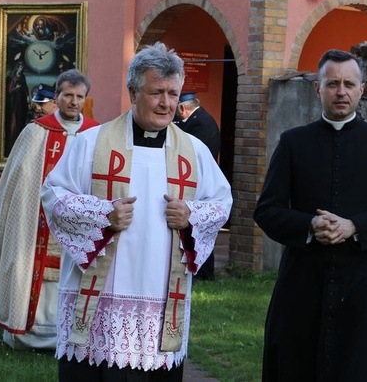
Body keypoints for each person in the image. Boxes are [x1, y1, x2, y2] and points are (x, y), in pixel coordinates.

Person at [41, 42, 233, 380]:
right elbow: (54, 197)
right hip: (99, 306)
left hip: (162, 302)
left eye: (173, 93)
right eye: (157, 92)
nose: (167, 103)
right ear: (132, 92)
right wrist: (103, 216)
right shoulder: (92, 142)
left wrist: (191, 216)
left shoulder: (194, 151)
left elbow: (221, 204)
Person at [253, 49, 367, 382]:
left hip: (362, 286)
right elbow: (267, 210)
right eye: (332, 84)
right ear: (318, 89)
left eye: (348, 84)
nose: (340, 91)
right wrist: (310, 225)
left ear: (361, 89)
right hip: (302, 285)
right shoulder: (293, 142)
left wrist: (354, 225)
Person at [0, 69, 98, 350]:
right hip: (37, 219)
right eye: (68, 95)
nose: (73, 102)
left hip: (79, 220)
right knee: (31, 266)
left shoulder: (94, 133)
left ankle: (69, 332)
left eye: (80, 97)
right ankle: (29, 332)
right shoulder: (36, 131)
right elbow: (20, 181)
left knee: (74, 271)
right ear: (56, 97)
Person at [175, 91, 222, 280]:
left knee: (200, 227)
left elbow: (188, 150)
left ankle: (204, 272)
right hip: (198, 179)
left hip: (200, 181)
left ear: (182, 108)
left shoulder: (200, 122)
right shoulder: (200, 118)